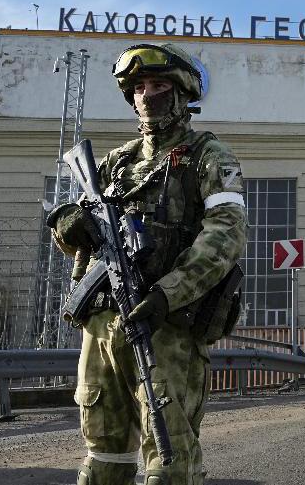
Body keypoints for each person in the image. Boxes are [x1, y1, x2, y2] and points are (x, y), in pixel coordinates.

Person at [48, 42, 248, 485]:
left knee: (170, 460)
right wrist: (70, 224)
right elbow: (72, 233)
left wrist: (167, 294)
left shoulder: (209, 156)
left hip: (167, 326)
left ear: (181, 94)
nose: (146, 95)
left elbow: (225, 235)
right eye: (138, 87)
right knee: (103, 457)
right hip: (103, 324)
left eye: (158, 85)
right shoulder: (116, 162)